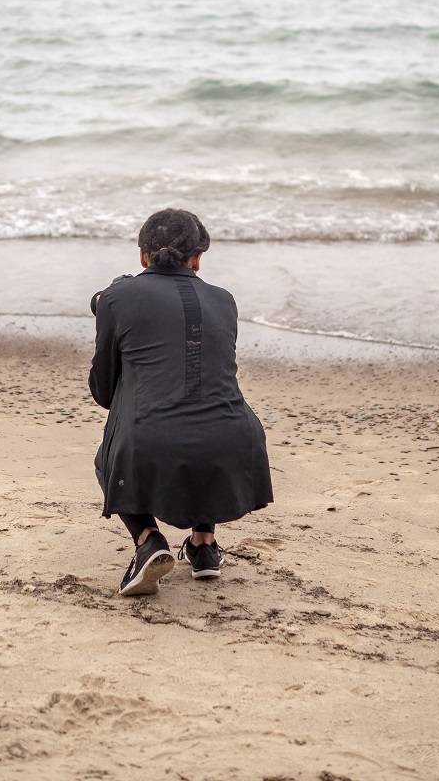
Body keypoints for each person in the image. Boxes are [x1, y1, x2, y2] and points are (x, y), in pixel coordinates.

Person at [88, 208, 273, 597]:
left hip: (154, 445)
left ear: (142, 256)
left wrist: (109, 314)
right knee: (199, 407)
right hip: (238, 443)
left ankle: (147, 540)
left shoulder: (118, 297)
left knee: (111, 452)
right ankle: (204, 545)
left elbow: (103, 392)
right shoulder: (225, 300)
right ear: (198, 259)